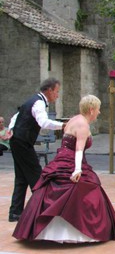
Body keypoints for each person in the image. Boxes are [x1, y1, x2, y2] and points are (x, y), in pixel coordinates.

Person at [12, 95, 115, 242]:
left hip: (62, 159)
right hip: (72, 161)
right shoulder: (83, 124)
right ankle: (81, 230)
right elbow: (78, 149)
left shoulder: (74, 119)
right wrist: (77, 170)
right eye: (98, 109)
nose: (99, 112)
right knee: (83, 189)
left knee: (54, 189)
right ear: (91, 110)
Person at [8, 78, 65, 223]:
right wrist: (63, 125)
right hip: (22, 143)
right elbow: (44, 122)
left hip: (18, 141)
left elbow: (16, 116)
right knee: (36, 176)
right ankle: (44, 209)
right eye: (56, 92)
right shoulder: (39, 102)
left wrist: (11, 130)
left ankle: (15, 213)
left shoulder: (33, 100)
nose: (57, 95)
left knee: (21, 178)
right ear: (49, 90)